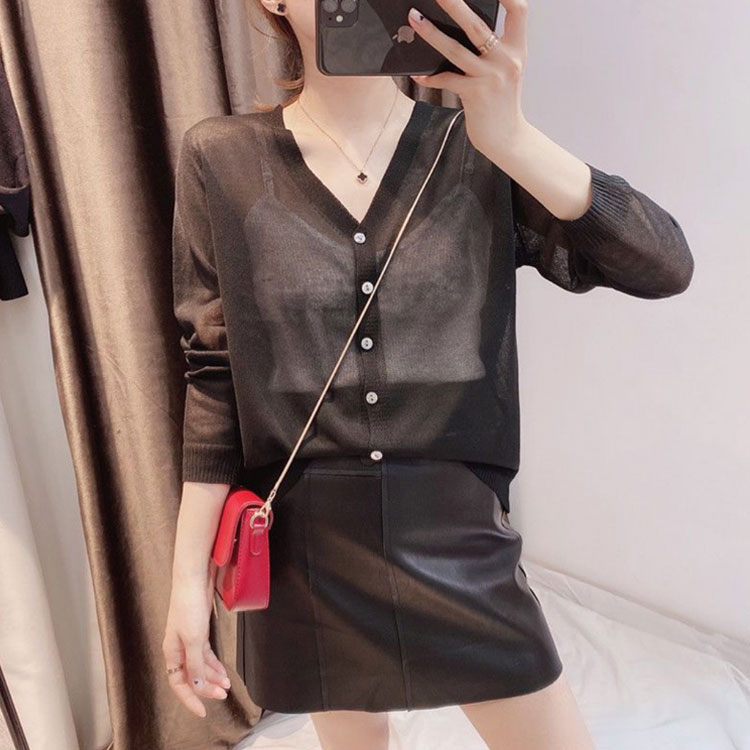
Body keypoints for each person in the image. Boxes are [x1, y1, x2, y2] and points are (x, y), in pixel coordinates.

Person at [163, 1, 694, 748]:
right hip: (308, 555)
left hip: (460, 538)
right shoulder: (221, 158)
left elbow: (665, 265)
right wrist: (187, 586)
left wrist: (513, 137)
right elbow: (213, 375)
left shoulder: (480, 149)